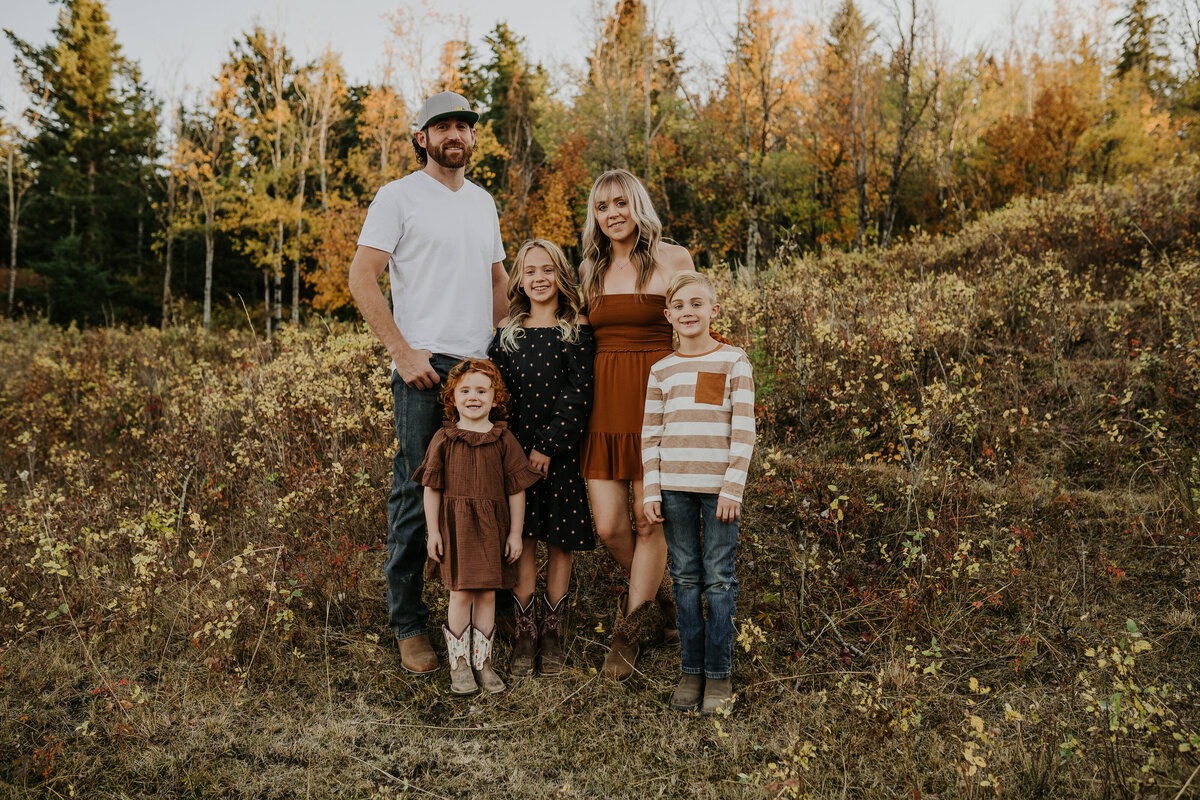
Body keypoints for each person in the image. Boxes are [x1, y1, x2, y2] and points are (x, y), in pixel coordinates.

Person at [348, 91, 507, 674]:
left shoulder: (484, 202)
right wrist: (402, 351)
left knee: (486, 491)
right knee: (419, 490)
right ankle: (409, 623)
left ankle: (486, 611)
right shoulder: (398, 197)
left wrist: (500, 347)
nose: (455, 135)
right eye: (443, 127)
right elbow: (362, 277)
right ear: (422, 137)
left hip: (478, 369)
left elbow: (497, 279)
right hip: (424, 369)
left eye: (463, 126)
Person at [577, 168, 695, 679]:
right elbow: (573, 336)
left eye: (621, 203)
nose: (613, 214)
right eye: (603, 207)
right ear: (595, 216)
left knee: (651, 521)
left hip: (659, 403)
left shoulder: (674, 258)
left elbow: (695, 323)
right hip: (602, 404)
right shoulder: (587, 267)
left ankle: (628, 633)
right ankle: (666, 596)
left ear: (638, 205)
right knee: (610, 526)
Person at [642, 272, 756, 715]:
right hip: (674, 490)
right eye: (680, 306)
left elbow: (743, 432)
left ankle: (719, 673)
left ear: (714, 311)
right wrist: (652, 489)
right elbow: (650, 435)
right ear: (668, 315)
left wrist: (732, 488)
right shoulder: (662, 370)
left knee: (719, 578)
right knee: (686, 578)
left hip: (718, 494)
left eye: (697, 304)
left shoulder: (733, 361)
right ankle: (691, 670)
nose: (689, 312)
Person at [488, 239, 595, 676]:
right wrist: (513, 450)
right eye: (530, 271)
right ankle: (526, 631)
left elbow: (579, 393)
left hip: (561, 450)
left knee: (561, 537)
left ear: (561, 275)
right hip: (516, 451)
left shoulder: (576, 328)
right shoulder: (507, 332)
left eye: (547, 270)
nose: (539, 278)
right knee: (525, 535)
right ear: (518, 280)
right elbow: (497, 392)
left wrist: (548, 445)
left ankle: (553, 632)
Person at [412, 359, 542, 695]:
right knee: (459, 593)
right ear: (452, 398)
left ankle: (483, 662)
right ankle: (459, 664)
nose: (473, 396)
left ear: (495, 398)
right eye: (465, 390)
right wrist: (434, 532)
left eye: (482, 391)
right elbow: (432, 488)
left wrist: (515, 533)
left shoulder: (503, 438)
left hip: (492, 529)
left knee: (486, 592)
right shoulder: (444, 437)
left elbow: (517, 489)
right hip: (456, 528)